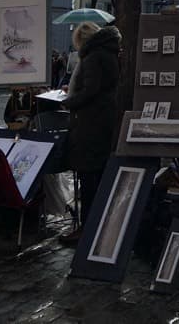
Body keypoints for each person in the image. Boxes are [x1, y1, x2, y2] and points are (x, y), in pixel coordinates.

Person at [60, 21, 122, 245]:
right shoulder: (109, 53)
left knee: (88, 178)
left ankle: (87, 228)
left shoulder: (94, 57)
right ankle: (95, 224)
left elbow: (91, 90)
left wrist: (69, 101)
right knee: (95, 175)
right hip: (102, 120)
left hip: (90, 123)